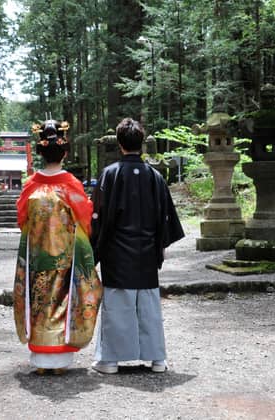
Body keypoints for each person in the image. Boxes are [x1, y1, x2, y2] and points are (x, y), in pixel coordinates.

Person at [90, 117, 184, 374]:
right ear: (141, 144)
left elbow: (98, 215)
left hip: (117, 253)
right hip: (146, 252)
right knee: (149, 306)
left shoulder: (110, 174)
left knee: (117, 305)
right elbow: (166, 218)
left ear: (120, 144)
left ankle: (110, 361)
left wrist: (94, 250)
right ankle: (157, 360)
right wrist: (159, 246)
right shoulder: (155, 177)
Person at [13, 119, 102, 375]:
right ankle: (59, 362)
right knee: (64, 299)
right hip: (65, 253)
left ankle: (41, 360)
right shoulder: (70, 184)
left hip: (37, 254)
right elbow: (84, 215)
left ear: (40, 153)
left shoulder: (31, 184)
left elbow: (22, 218)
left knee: (38, 301)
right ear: (64, 153)